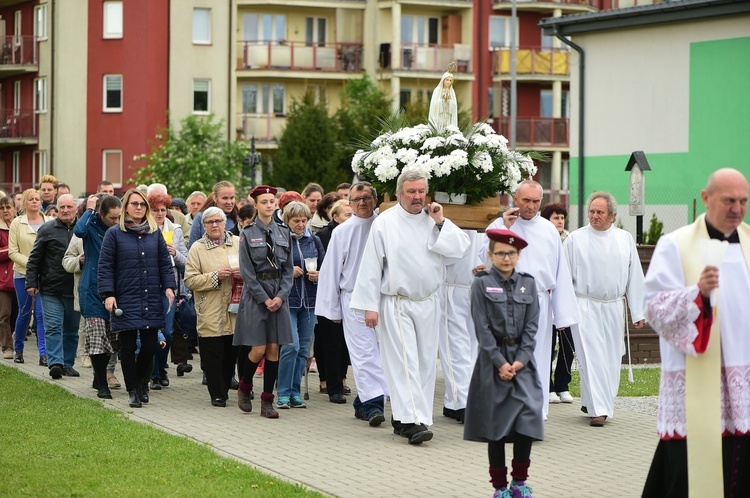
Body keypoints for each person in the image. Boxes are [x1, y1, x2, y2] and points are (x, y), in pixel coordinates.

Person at [642, 168, 750, 497]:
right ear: (706, 198)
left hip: (742, 384)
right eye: (729, 200)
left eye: (744, 201)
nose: (737, 209)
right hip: (695, 385)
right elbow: (655, 307)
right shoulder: (675, 245)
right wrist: (698, 294)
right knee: (686, 478)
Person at [350, 170, 470, 444]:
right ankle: (412, 422)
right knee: (405, 362)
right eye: (412, 191)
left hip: (428, 301)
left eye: (421, 191)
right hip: (397, 301)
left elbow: (459, 249)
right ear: (400, 193)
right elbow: (371, 265)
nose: (417, 197)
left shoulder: (433, 219)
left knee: (427, 364)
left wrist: (441, 221)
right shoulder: (386, 222)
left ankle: (411, 418)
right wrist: (370, 306)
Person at [482, 180, 579, 420]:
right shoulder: (502, 224)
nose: (531, 206)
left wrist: (563, 314)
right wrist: (504, 228)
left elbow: (560, 272)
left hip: (539, 303)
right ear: (515, 198)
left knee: (538, 356)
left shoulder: (548, 230)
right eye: (526, 200)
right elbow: (484, 259)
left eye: (536, 201)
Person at [464, 228, 542, 498]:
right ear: (490, 254)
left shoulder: (529, 284)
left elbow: (532, 328)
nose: (506, 258)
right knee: (495, 426)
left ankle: (520, 483)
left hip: (522, 365)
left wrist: (520, 362)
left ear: (518, 255)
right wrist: (500, 362)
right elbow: (482, 328)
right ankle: (499, 488)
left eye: (511, 253)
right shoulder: (481, 284)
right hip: (492, 363)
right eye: (500, 253)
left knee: (526, 420)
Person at [564, 192, 645, 426]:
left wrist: (637, 311)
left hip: (613, 307)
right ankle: (599, 410)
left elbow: (635, 277)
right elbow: (564, 278)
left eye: (600, 212)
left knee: (609, 359)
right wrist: (563, 312)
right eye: (591, 211)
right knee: (591, 358)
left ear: (612, 216)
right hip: (585, 306)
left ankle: (592, 402)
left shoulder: (625, 239)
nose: (594, 216)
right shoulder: (575, 239)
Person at [316, 181, 389, 426]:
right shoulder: (343, 231)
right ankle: (373, 405)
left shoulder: (386, 226)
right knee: (364, 354)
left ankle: (365, 401)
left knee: (385, 354)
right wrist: (332, 309)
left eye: (366, 198)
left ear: (375, 200)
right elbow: (331, 271)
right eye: (356, 200)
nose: (362, 204)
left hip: (384, 298)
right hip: (354, 299)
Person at [98, 188, 176, 408]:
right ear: (126, 207)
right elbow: (105, 266)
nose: (139, 208)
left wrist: (169, 287)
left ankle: (142, 382)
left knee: (151, 346)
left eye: (142, 205)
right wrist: (108, 294)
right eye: (134, 204)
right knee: (128, 346)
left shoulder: (154, 233)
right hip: (126, 298)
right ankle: (133, 389)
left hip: (150, 296)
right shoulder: (114, 233)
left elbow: (164, 263)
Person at [234, 185, 294, 419]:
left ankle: (267, 401)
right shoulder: (247, 234)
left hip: (279, 293)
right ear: (256, 205)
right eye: (264, 202)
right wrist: (265, 298)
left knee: (273, 350)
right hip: (256, 295)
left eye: (272, 201)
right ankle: (245, 386)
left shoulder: (283, 231)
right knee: (257, 348)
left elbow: (288, 270)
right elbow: (247, 272)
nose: (269, 205)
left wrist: (280, 296)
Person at [184, 207, 241, 407]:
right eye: (210, 222)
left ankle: (225, 388)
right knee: (213, 354)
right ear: (204, 226)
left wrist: (242, 275)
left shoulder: (237, 243)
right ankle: (216, 393)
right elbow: (190, 280)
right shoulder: (197, 248)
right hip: (210, 307)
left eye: (218, 221)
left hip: (235, 307)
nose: (215, 225)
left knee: (230, 353)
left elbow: (251, 271)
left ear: (225, 223)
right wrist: (216, 276)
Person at [72, 194, 122, 398]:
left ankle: (98, 374)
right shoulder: (91, 227)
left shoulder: (121, 230)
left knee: (112, 337)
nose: (116, 222)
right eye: (112, 218)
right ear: (101, 214)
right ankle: (102, 384)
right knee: (97, 336)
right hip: (92, 289)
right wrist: (91, 208)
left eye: (119, 217)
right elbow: (78, 230)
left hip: (115, 288)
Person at [25, 194, 80, 379]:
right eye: (61, 207)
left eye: (69, 207)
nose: (65, 210)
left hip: (75, 288)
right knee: (53, 327)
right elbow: (35, 258)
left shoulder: (82, 230)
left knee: (71, 330)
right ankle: (55, 362)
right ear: (57, 209)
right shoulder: (47, 229)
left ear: (75, 209)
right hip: (50, 288)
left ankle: (68, 363)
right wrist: (31, 282)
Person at [276, 201, 324, 409]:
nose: (301, 224)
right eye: (296, 221)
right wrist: (289, 271)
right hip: (288, 301)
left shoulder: (313, 241)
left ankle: (295, 392)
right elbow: (272, 270)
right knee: (290, 347)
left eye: (304, 220)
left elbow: (326, 268)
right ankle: (283, 392)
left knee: (303, 350)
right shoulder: (280, 241)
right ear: (287, 221)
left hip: (311, 302)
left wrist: (319, 275)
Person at [440, 230, 485, 424]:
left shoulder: (485, 220)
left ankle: (454, 402)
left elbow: (486, 246)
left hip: (476, 286)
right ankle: (462, 402)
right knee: (455, 347)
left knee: (474, 348)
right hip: (452, 285)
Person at [148, 191, 189, 389]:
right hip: (148, 285)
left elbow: (186, 260)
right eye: (155, 210)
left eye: (163, 210)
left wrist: (174, 252)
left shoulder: (176, 229)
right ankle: (154, 373)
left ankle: (162, 367)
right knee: (151, 330)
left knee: (168, 331)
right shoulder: (143, 229)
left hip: (169, 286)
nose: (159, 213)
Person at [540, 202, 575, 404]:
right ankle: (549, 386)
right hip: (547, 297)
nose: (560, 221)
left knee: (568, 345)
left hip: (565, 297)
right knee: (548, 343)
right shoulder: (544, 239)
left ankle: (563, 384)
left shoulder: (570, 240)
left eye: (562, 218)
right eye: (556, 217)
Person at [9, 189, 48, 365]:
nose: (34, 202)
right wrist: (32, 264)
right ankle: (18, 349)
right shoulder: (17, 223)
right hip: (22, 274)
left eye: (37, 199)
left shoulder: (49, 222)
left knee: (41, 315)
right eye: (30, 199)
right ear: (24, 203)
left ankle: (43, 354)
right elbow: (13, 252)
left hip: (44, 276)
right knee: (24, 312)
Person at [189, 181, 239, 247]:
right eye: (225, 198)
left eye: (232, 198)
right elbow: (192, 248)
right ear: (215, 198)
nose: (229, 202)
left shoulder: (238, 219)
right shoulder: (201, 217)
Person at [0, 197, 16, 359]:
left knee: (19, 314)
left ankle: (17, 343)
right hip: (3, 280)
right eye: (2, 207)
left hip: (21, 276)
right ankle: (7, 347)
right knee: (4, 314)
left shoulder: (20, 226)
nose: (5, 210)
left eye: (8, 207)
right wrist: (12, 249)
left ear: (14, 208)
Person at [429, 63, 458, 132]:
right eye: (447, 80)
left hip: (448, 118)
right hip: (439, 118)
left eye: (450, 80)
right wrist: (442, 101)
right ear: (443, 80)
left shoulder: (452, 92)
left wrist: (449, 101)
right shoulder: (437, 91)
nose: (448, 82)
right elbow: (434, 105)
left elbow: (454, 106)